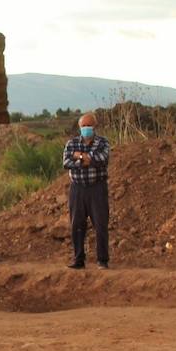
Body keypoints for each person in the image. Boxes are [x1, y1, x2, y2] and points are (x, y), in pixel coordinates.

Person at [63, 113, 111, 269]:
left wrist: (79, 157)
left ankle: (102, 260)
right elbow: (66, 162)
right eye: (83, 126)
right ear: (79, 127)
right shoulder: (71, 143)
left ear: (95, 126)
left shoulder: (103, 142)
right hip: (77, 189)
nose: (86, 129)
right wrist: (86, 160)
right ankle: (78, 259)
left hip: (97, 188)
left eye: (89, 125)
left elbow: (101, 159)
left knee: (100, 224)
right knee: (76, 224)